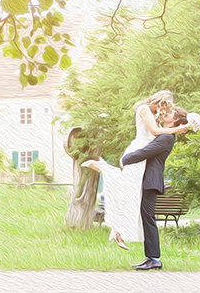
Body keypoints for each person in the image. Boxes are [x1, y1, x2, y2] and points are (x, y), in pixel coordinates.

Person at [81, 91, 189, 251]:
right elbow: (153, 132)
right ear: (161, 102)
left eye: (169, 110)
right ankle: (104, 169)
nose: (166, 111)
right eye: (167, 107)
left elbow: (157, 135)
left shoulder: (155, 115)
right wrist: (177, 130)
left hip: (143, 157)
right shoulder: (144, 109)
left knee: (131, 194)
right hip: (138, 152)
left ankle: (119, 231)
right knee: (127, 187)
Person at [120, 106, 189, 271]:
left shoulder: (167, 138)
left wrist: (126, 159)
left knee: (148, 216)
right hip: (148, 179)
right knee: (146, 216)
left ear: (176, 120)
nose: (166, 113)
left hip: (151, 180)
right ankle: (151, 257)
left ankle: (154, 258)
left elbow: (146, 151)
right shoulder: (164, 134)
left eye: (170, 113)